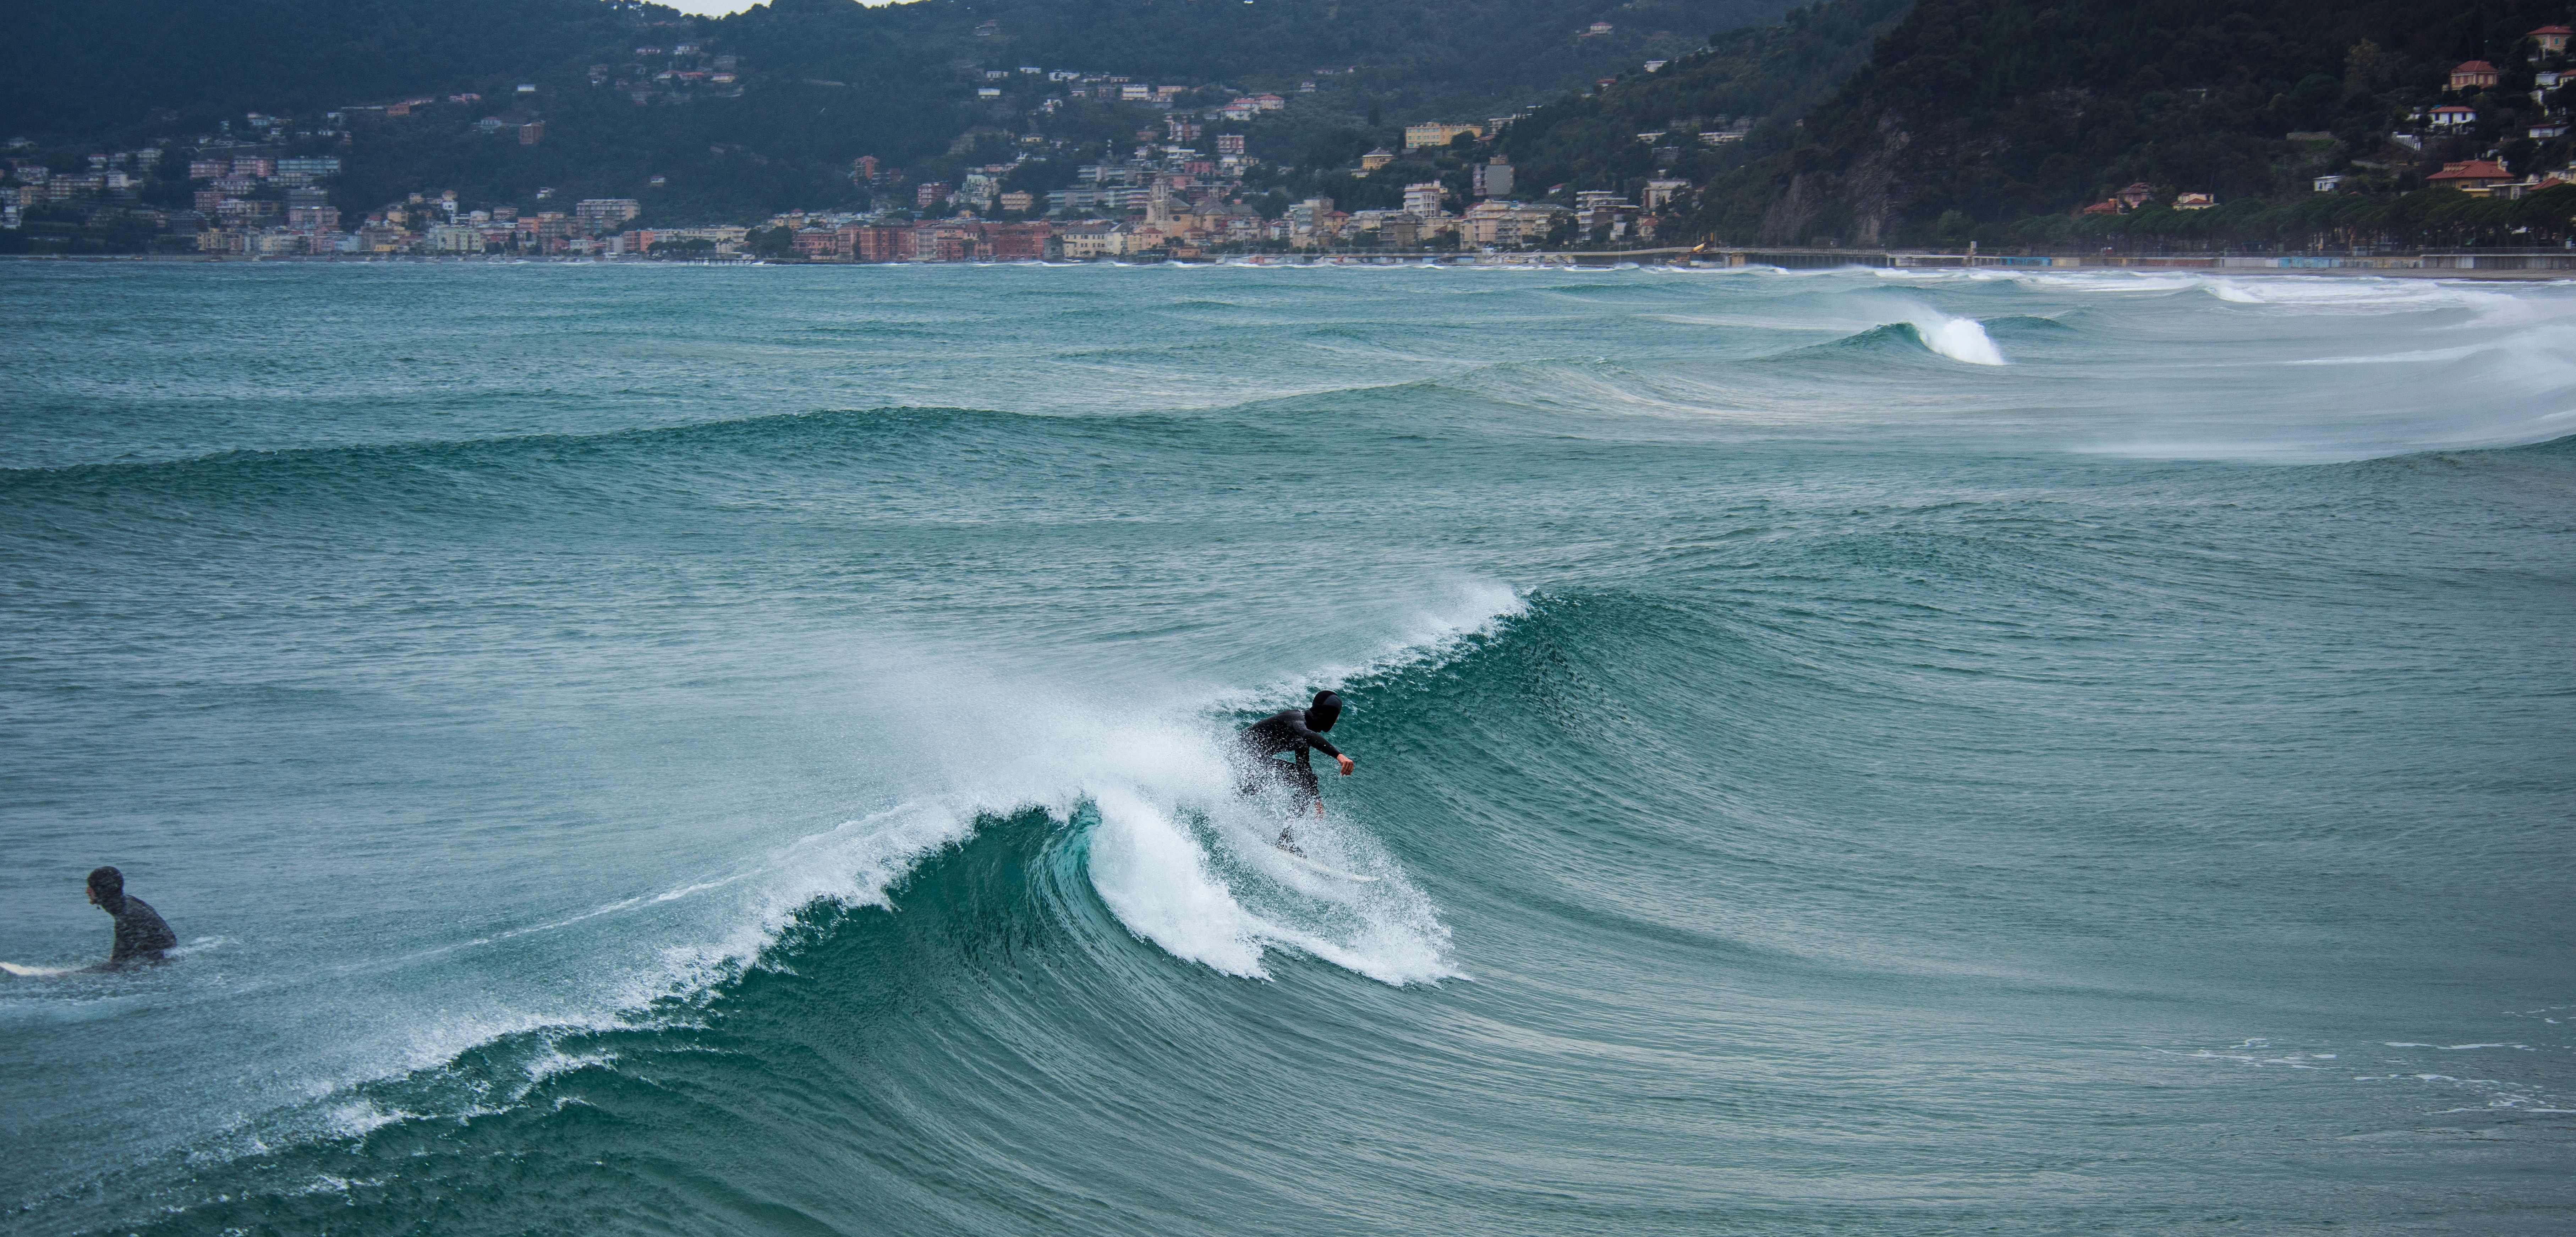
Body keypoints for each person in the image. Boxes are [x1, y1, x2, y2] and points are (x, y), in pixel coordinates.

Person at [1236, 689, 1354, 851]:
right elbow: (1307, 735)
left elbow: (1304, 768)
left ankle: (1233, 797)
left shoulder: (1304, 731)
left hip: (1252, 760)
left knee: (1306, 778)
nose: (1337, 720)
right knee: (1305, 779)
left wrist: (1316, 797)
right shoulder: (1297, 719)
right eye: (1337, 715)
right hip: (1242, 755)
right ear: (1330, 715)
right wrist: (1338, 756)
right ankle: (1285, 839)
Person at [86, 867, 176, 968]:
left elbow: (117, 966)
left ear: (101, 890)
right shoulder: (129, 902)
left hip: (162, 964)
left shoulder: (126, 917)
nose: (87, 891)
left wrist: (75, 973)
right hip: (169, 955)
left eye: (91, 887)